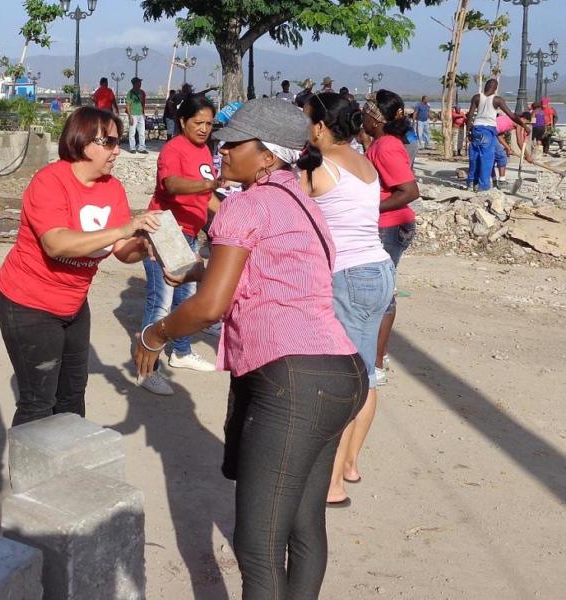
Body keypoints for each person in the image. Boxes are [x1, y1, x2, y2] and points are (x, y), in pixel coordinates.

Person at [135, 98, 365, 599]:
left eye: (232, 143)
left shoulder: (244, 205)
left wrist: (156, 334)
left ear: (267, 156)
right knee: (304, 525)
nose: (220, 151)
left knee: (258, 545)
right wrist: (200, 268)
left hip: (293, 380)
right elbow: (272, 268)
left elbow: (208, 309)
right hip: (341, 372)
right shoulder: (304, 202)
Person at [0, 106, 159, 425]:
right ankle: (31, 459)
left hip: (73, 304)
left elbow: (123, 251)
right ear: (82, 141)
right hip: (27, 304)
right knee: (38, 402)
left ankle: (69, 457)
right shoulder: (50, 181)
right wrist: (123, 229)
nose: (117, 150)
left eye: (118, 141)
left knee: (71, 397)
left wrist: (145, 245)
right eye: (109, 142)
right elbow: (56, 243)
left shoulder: (112, 188)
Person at [298, 92, 395, 507]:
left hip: (348, 276)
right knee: (365, 375)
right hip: (379, 269)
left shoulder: (320, 166)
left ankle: (333, 483)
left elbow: (289, 205)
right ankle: (350, 464)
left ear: (320, 127)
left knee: (343, 380)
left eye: (306, 120)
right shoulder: (364, 161)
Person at [139, 94, 220, 395]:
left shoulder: (205, 150)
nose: (204, 128)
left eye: (209, 123)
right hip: (166, 230)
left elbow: (207, 198)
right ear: (183, 121)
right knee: (160, 301)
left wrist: (233, 217)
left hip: (190, 233)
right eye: (198, 122)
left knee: (187, 298)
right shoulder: (174, 149)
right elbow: (171, 185)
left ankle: (182, 351)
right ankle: (147, 369)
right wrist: (210, 184)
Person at [361, 94, 419, 386]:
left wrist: (369, 208)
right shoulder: (379, 144)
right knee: (380, 290)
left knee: (382, 293)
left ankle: (376, 362)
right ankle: (375, 355)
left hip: (390, 227)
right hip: (387, 225)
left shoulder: (386, 147)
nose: (361, 116)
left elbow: (409, 191)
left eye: (365, 112)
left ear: (375, 118)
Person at [465, 78, 524, 191]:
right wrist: (524, 126)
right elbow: (511, 115)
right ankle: (483, 186)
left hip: (476, 128)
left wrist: (468, 131)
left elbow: (470, 115)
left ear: (485, 86)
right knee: (486, 160)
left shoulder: (476, 97)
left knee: (474, 158)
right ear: (496, 88)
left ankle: (471, 182)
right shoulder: (497, 100)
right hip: (488, 130)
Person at [125, 77, 148, 154]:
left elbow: (143, 103)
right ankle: (132, 148)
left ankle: (142, 147)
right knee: (132, 133)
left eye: (140, 82)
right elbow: (128, 105)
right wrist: (130, 116)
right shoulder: (130, 93)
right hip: (133, 114)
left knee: (142, 132)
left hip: (140, 114)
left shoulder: (142, 92)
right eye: (138, 82)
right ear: (134, 84)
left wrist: (143, 113)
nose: (140, 84)